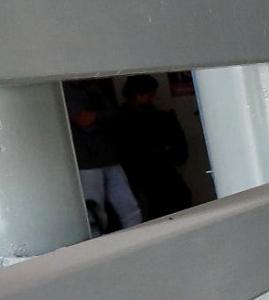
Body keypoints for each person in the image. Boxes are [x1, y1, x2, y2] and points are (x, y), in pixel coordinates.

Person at [112, 74, 194, 220]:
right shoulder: (124, 118)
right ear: (137, 94)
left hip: (160, 168)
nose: (152, 98)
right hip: (143, 172)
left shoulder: (148, 113)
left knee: (179, 200)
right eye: (149, 95)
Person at [66, 79, 143, 233]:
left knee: (129, 207)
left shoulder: (91, 87)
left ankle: (139, 238)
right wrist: (101, 117)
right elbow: (83, 119)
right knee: (94, 211)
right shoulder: (65, 90)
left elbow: (114, 115)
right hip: (85, 159)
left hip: (108, 154)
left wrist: (97, 117)